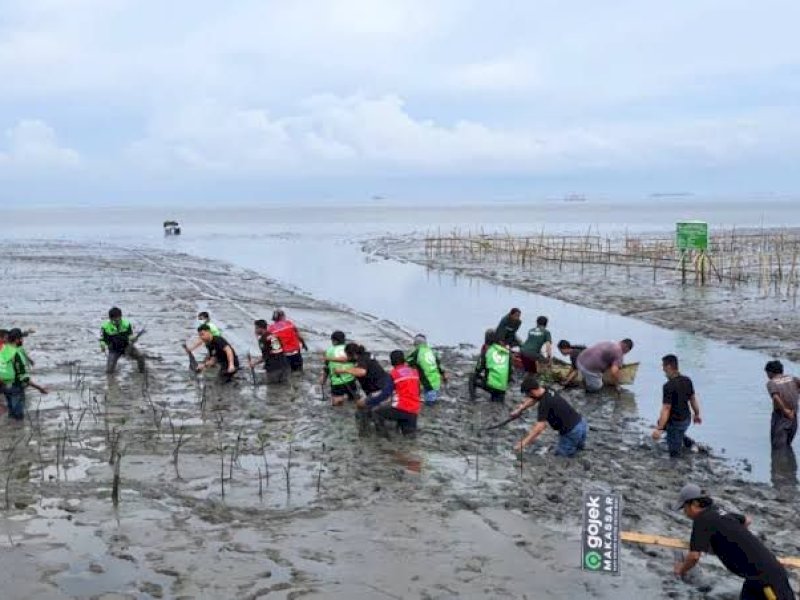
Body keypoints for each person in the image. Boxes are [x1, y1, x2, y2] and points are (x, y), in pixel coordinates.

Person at [673, 483, 795, 599]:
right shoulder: (718, 511)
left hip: (767, 581)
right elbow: (746, 521)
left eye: (685, 508)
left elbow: (694, 556)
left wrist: (680, 570)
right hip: (756, 577)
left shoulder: (702, 519)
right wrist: (726, 543)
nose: (685, 513)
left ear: (694, 504)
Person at [510, 376, 587, 457]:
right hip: (581, 424)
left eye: (527, 394)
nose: (528, 396)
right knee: (578, 452)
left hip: (571, 432)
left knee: (561, 458)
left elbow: (539, 428)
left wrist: (523, 443)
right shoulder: (546, 389)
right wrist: (520, 410)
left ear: (532, 391)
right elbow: (534, 399)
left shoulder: (544, 403)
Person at [335, 343, 394, 434]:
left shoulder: (361, 360)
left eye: (347, 354)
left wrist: (344, 371)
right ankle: (374, 429)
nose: (347, 357)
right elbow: (347, 359)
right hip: (386, 386)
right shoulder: (365, 355)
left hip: (379, 390)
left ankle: (367, 433)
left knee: (364, 409)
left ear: (353, 354)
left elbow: (362, 372)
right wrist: (329, 359)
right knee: (365, 408)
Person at [652, 354, 702, 458]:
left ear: (669, 367)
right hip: (686, 419)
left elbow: (666, 408)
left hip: (675, 422)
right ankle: (691, 444)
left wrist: (659, 429)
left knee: (674, 452)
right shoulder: (687, 380)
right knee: (672, 428)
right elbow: (693, 399)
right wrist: (697, 414)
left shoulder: (668, 386)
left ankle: (676, 466)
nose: (663, 369)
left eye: (663, 366)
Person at [0, 328, 48, 420]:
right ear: (17, 339)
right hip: (16, 387)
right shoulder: (16, 353)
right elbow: (23, 377)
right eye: (21, 338)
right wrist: (40, 388)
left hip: (5, 387)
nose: (22, 340)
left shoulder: (3, 350)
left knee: (11, 413)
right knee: (18, 417)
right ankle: (17, 432)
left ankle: (10, 431)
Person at [373, 350, 421, 437]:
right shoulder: (414, 372)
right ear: (404, 360)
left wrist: (371, 401)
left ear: (391, 362)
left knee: (376, 413)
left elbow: (386, 393)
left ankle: (383, 439)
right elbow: (418, 391)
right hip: (414, 410)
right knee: (409, 437)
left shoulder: (394, 374)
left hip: (401, 408)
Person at [100, 307, 146, 375]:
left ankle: (142, 373)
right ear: (110, 318)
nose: (116, 321)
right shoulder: (105, 326)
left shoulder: (127, 324)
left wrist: (133, 338)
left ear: (121, 317)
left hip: (127, 347)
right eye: (114, 319)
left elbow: (130, 335)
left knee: (140, 356)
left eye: (118, 318)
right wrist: (102, 346)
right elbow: (102, 339)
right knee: (109, 371)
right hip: (114, 349)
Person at [764, 360, 798, 449]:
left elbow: (775, 397)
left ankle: (779, 462)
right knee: (787, 444)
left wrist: (786, 411)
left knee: (778, 447)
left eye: (767, 373)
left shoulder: (772, 383)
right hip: (794, 416)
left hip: (781, 416)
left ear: (770, 372)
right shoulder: (792, 378)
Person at [406, 334, 446, 406]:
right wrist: (443, 376)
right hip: (436, 380)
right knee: (432, 399)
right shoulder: (432, 351)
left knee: (429, 404)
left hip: (427, 381)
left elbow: (408, 362)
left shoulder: (417, 352)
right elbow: (439, 365)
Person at [470, 332, 510, 402]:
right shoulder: (506, 352)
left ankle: (472, 400)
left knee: (472, 378)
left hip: (491, 385)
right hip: (503, 387)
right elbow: (510, 371)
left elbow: (478, 369)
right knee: (497, 403)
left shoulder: (487, 351)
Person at [321, 331, 359, 405]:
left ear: (334, 341)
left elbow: (327, 367)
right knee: (353, 402)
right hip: (351, 380)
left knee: (337, 405)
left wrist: (323, 379)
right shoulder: (350, 349)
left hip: (337, 382)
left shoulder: (329, 351)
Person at [248, 319, 289, 384]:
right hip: (284, 366)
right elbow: (278, 350)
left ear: (261, 328)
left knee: (272, 390)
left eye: (256, 328)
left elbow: (265, 356)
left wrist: (254, 363)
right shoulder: (273, 335)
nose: (255, 330)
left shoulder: (262, 340)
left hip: (273, 369)